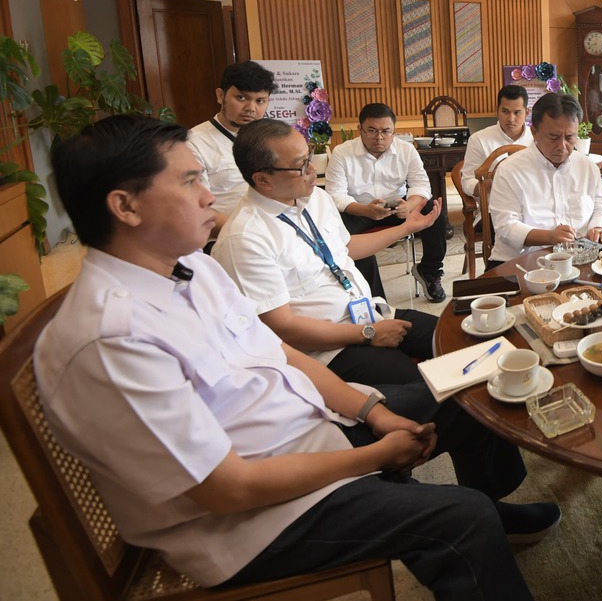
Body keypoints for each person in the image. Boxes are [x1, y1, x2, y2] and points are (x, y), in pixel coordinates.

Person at [33, 115, 546, 600]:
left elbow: (275, 352)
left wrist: (376, 413)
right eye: (190, 181)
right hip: (255, 519)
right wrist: (373, 455)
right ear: (126, 207)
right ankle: (469, 520)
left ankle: (485, 509)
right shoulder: (113, 337)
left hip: (306, 430)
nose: (210, 195)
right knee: (460, 518)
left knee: (471, 393)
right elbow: (229, 489)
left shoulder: (189, 266)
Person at [213, 119, 443, 385]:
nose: (312, 170)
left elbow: (344, 250)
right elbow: (282, 327)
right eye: (301, 165)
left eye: (309, 157)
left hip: (372, 315)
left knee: (456, 340)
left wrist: (407, 228)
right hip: (330, 350)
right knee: (424, 387)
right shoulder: (245, 237)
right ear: (263, 179)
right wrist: (367, 333)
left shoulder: (315, 199)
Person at [325, 103, 449, 302]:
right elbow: (335, 194)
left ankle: (429, 271)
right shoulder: (342, 152)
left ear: (394, 131)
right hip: (358, 210)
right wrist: (365, 210)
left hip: (397, 209)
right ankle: (372, 296)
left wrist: (409, 206)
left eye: (386, 131)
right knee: (342, 233)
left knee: (433, 211)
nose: (379, 137)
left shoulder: (406, 150)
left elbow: (421, 185)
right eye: (372, 131)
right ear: (360, 130)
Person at [488, 92, 602, 266]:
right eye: (553, 137)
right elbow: (505, 227)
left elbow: (601, 206)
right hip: (521, 261)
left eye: (570, 138)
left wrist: (599, 226)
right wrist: (549, 237)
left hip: (580, 258)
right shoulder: (509, 169)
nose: (562, 146)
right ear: (534, 132)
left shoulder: (587, 166)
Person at [186, 60, 276, 235]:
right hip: (227, 238)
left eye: (260, 101)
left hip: (274, 232)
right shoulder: (193, 143)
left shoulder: (269, 138)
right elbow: (198, 209)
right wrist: (250, 234)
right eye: (241, 98)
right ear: (221, 96)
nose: (251, 108)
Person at [461, 85, 533, 198]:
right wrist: (490, 184)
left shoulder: (538, 139)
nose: (511, 118)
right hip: (493, 211)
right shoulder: (478, 139)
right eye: (505, 111)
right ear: (497, 111)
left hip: (534, 209)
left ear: (527, 112)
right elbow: (467, 182)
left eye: (517, 112)